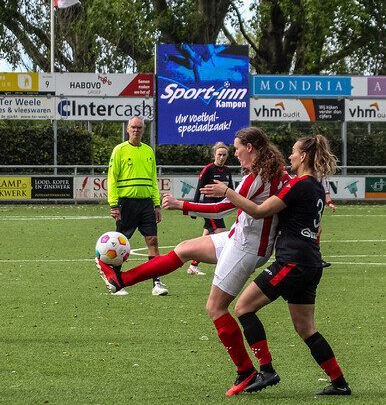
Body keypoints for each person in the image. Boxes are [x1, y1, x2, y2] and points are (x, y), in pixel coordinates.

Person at [96, 126, 288, 396]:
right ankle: (121, 279)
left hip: (246, 248)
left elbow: (223, 207)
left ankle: (245, 371)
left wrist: (181, 204)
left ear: (251, 148)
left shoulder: (258, 175)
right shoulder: (272, 172)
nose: (234, 153)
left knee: (216, 308)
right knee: (184, 248)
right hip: (238, 239)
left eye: (237, 148)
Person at [202, 135, 351, 396]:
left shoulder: (299, 185)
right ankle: (339, 382)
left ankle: (266, 369)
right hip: (310, 263)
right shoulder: (315, 187)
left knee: (243, 307)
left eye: (293, 152)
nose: (290, 156)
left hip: (292, 262)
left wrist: (227, 193)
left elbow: (260, 211)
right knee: (305, 328)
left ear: (303, 156)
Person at [107, 116, 166, 296]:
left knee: (153, 241)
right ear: (127, 129)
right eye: (133, 127)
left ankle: (156, 282)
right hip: (126, 204)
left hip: (146, 204)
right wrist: (114, 205)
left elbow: (153, 180)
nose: (136, 130)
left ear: (143, 130)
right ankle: (116, 282)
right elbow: (112, 178)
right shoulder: (119, 150)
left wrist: (157, 204)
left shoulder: (148, 151)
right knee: (120, 244)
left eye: (139, 127)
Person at [187, 141, 235, 276]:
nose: (222, 157)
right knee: (224, 236)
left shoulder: (227, 170)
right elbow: (199, 189)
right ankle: (224, 269)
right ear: (214, 155)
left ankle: (193, 265)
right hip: (210, 209)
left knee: (205, 237)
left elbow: (230, 189)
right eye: (219, 154)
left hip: (220, 210)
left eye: (224, 155)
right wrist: (194, 208)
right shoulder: (208, 169)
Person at [320, 176, 336, 268]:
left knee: (317, 230)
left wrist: (329, 203)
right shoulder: (303, 172)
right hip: (304, 204)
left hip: (315, 204)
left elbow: (326, 191)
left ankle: (316, 258)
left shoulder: (322, 176)